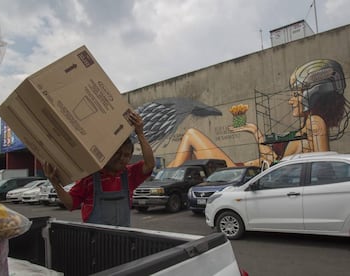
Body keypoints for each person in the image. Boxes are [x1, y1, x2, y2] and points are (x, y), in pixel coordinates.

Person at [168, 59, 349, 168]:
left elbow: (274, 164)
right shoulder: (310, 125)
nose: (291, 100)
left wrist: (255, 132)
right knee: (185, 159)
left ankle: (162, 180)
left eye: (296, 94)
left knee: (191, 135)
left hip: (245, 175)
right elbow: (275, 161)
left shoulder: (315, 123)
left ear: (314, 94)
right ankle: (163, 179)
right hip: (247, 170)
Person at [44, 110, 154, 227]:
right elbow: (70, 204)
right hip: (96, 241)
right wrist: (55, 183)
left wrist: (140, 133)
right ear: (108, 152)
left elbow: (150, 164)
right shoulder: (89, 178)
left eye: (126, 155)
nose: (121, 158)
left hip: (122, 241)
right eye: (117, 153)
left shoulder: (129, 175)